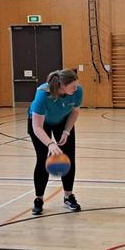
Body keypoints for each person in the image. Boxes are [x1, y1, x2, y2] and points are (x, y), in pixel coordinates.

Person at [28, 69, 83, 215]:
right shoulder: (43, 94)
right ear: (62, 85)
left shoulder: (77, 91)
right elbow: (37, 127)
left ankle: (68, 197)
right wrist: (50, 144)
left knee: (69, 158)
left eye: (76, 85)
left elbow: (75, 112)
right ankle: (39, 199)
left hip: (63, 121)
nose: (76, 88)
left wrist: (66, 131)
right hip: (40, 124)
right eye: (73, 86)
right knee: (42, 159)